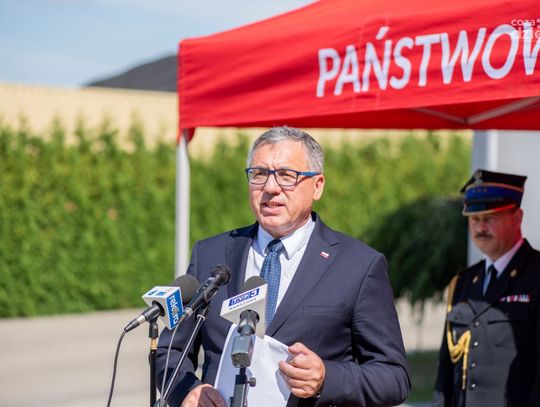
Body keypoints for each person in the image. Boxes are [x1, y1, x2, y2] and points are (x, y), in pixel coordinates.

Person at [156, 126, 410, 407]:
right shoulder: (211, 254)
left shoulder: (358, 265)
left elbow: (394, 377)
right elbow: (170, 350)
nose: (270, 188)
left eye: (287, 176)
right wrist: (187, 391)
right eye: (259, 174)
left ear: (317, 186)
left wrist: (327, 379)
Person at [433, 169, 540, 407]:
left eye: (490, 218)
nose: (480, 228)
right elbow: (444, 377)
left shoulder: (535, 275)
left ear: (517, 218)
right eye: (474, 219)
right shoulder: (462, 283)